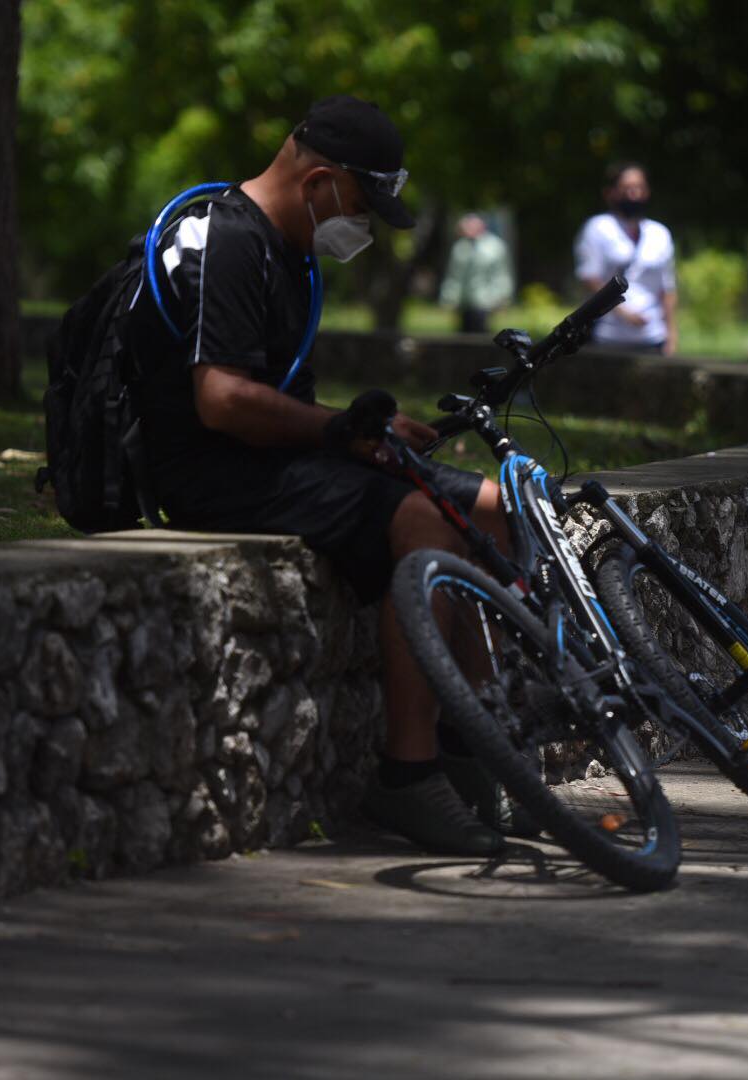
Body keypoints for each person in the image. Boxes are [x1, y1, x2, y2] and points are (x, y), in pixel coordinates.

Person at [119, 95, 510, 855]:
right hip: (217, 474)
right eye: (360, 207)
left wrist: (363, 436)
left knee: (492, 509)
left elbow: (280, 397)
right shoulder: (229, 240)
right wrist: (338, 430)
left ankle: (476, 759)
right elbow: (223, 400)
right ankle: (410, 774)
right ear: (320, 181)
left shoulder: (289, 249)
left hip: (284, 460)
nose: (358, 228)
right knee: (430, 521)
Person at [574, 162, 678, 354]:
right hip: (607, 337)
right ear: (610, 193)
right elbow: (590, 279)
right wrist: (626, 314)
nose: (634, 194)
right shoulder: (598, 228)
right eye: (627, 188)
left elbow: (667, 288)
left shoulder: (659, 233)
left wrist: (671, 335)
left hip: (652, 337)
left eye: (639, 188)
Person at [438, 212, 514, 334]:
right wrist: (448, 298)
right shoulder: (460, 248)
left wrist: (502, 297)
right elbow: (454, 276)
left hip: (485, 302)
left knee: (481, 335)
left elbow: (501, 275)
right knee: (464, 336)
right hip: (466, 302)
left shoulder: (495, 247)